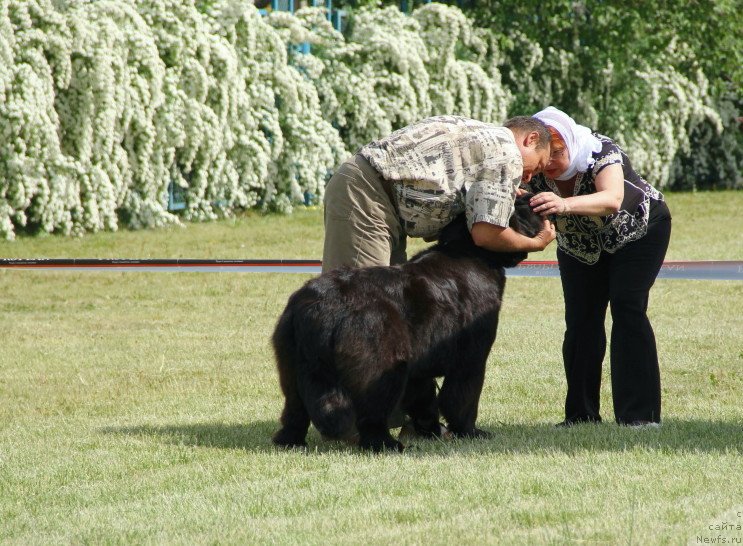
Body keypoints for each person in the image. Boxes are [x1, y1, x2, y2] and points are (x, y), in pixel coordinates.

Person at [527, 106, 672, 427]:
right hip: (579, 245)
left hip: (639, 231)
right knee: (580, 321)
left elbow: (612, 199)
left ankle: (640, 417)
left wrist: (563, 205)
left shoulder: (601, 152)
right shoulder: (532, 167)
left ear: (569, 143)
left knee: (627, 306)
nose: (549, 164)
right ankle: (581, 415)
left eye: (557, 154)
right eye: (544, 156)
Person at [322, 115, 557, 273]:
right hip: (368, 196)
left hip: (375, 195)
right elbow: (486, 234)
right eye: (537, 167)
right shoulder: (507, 154)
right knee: (359, 304)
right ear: (531, 139)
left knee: (383, 304)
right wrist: (535, 243)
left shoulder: (484, 138)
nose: (528, 179)